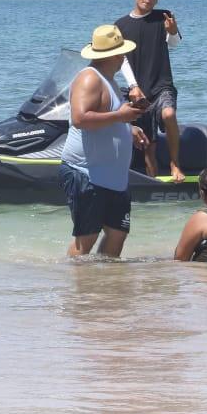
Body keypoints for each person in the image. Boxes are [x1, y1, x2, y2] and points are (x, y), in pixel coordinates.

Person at [60, 24, 148, 257]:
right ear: (114, 55)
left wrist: (129, 128)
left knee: (118, 232)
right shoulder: (90, 78)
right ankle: (78, 289)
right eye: (122, 53)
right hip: (87, 173)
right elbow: (80, 118)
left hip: (113, 178)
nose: (124, 58)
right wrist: (121, 116)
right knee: (86, 238)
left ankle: (106, 287)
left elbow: (107, 117)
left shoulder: (108, 79)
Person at [116, 0, 184, 182]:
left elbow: (174, 44)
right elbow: (121, 60)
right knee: (148, 150)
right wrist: (133, 86)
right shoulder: (120, 25)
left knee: (169, 113)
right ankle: (152, 188)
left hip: (162, 84)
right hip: (138, 90)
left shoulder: (162, 17)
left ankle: (175, 163)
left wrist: (172, 31)